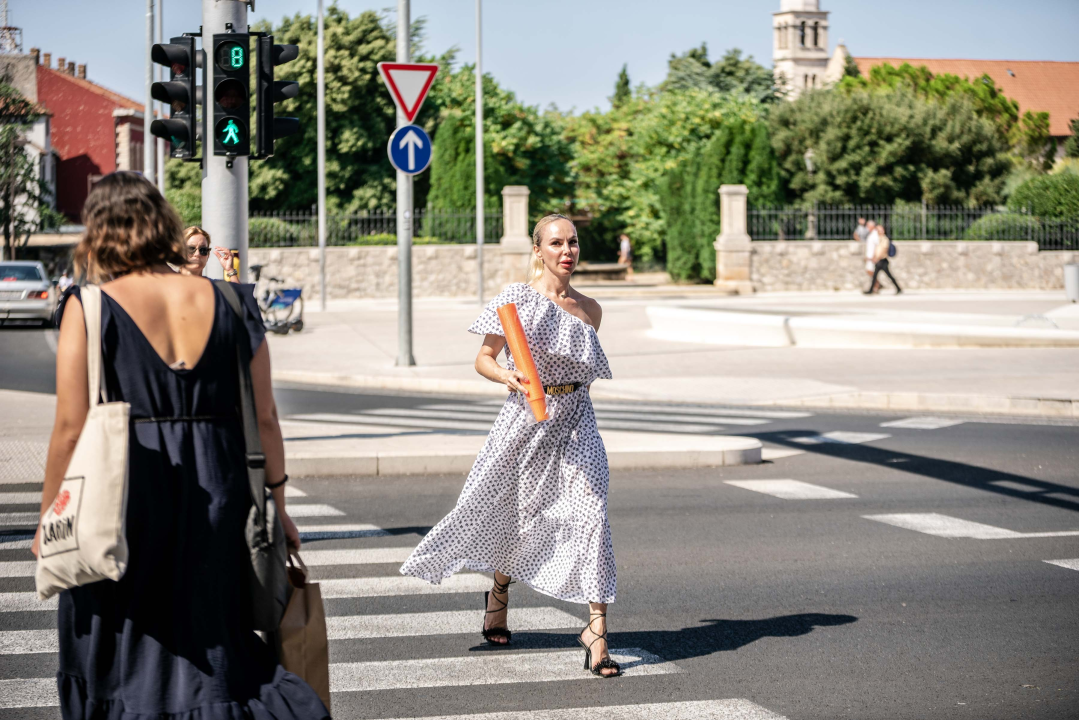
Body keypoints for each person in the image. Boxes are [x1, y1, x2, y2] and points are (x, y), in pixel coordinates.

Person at [34, 172, 328, 719]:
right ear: (163, 225)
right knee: (215, 641)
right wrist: (278, 506)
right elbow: (265, 418)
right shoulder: (235, 302)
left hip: (125, 491)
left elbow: (71, 428)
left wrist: (51, 516)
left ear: (99, 231)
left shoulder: (91, 305)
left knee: (128, 646)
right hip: (216, 486)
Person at [400, 214, 621, 678]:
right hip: (525, 421)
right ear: (537, 250)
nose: (568, 250)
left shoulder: (590, 310)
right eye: (557, 242)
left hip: (578, 423)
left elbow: (578, 369)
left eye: (573, 242)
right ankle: (498, 596)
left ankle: (596, 632)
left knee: (592, 516)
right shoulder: (515, 298)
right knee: (519, 519)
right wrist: (507, 376)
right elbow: (484, 358)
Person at [865, 221, 902, 295]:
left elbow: (884, 250)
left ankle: (898, 288)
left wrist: (877, 258)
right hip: (879, 260)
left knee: (887, 276)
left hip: (882, 260)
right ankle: (872, 289)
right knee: (876, 276)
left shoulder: (885, 239)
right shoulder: (879, 239)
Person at [863, 220, 880, 291]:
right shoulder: (871, 234)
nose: (867, 227)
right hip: (869, 257)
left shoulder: (875, 234)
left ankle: (876, 286)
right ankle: (877, 285)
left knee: (871, 271)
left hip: (872, 257)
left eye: (868, 226)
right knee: (869, 271)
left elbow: (877, 246)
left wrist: (874, 256)